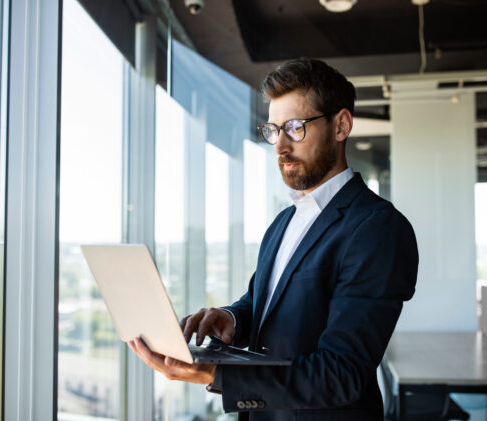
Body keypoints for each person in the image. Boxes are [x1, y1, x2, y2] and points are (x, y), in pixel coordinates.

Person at [127, 58, 418, 420]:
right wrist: (233, 317)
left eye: (295, 128)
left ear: (341, 125)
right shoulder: (284, 221)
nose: (279, 146)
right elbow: (265, 300)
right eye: (272, 130)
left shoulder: (377, 228)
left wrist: (215, 374)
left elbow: (341, 375)